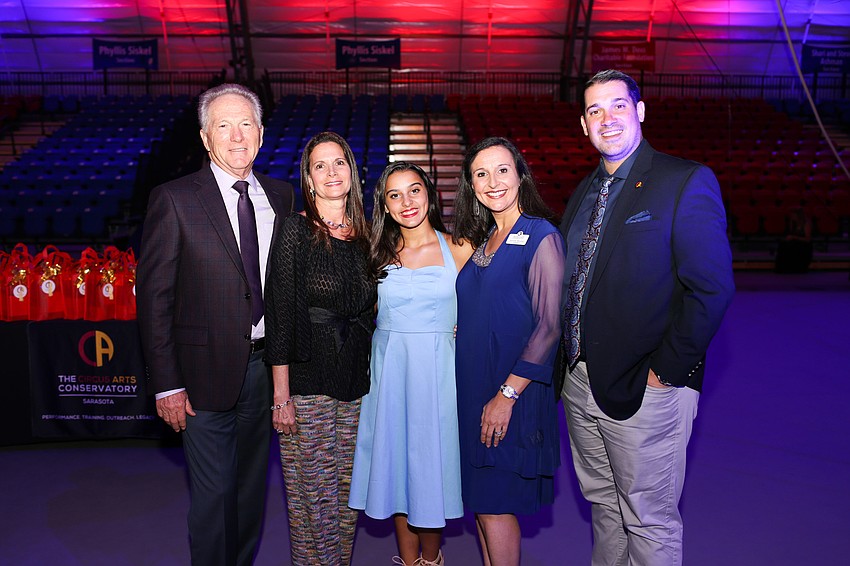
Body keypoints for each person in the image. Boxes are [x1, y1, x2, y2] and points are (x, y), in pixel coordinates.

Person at [557, 69, 735, 565]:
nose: (606, 118)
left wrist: (665, 374)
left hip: (644, 389)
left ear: (640, 110)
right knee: (605, 509)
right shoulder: (584, 191)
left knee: (648, 519)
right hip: (581, 383)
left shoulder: (683, 181)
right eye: (594, 110)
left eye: (617, 105)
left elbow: (712, 288)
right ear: (583, 124)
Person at [136, 83, 294, 565]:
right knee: (212, 498)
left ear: (262, 134)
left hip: (265, 371)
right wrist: (167, 386)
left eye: (246, 123)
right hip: (200, 375)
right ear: (206, 138)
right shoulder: (175, 199)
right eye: (223, 125)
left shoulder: (282, 197)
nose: (236, 135)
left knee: (249, 493)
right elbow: (155, 300)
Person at [349, 162, 473, 566]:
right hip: (389, 374)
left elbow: (483, 311)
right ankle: (406, 560)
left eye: (414, 190)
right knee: (398, 466)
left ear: (430, 194)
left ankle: (432, 561)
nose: (406, 202)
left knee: (429, 467)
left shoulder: (460, 247)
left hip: (438, 374)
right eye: (394, 195)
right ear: (383, 205)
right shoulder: (374, 253)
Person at [263, 131, 376, 566]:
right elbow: (281, 312)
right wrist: (281, 397)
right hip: (307, 381)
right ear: (308, 179)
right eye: (320, 166)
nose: (331, 172)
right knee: (313, 498)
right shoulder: (295, 230)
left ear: (352, 171)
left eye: (339, 163)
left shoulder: (368, 234)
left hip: (355, 381)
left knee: (348, 496)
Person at [453, 137, 565, 566]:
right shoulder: (485, 241)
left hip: (509, 390)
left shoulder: (541, 236)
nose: (493, 181)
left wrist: (508, 394)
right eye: (481, 174)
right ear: (471, 186)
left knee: (497, 502)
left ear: (520, 175)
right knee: (482, 502)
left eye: (502, 170)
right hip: (473, 388)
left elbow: (549, 326)